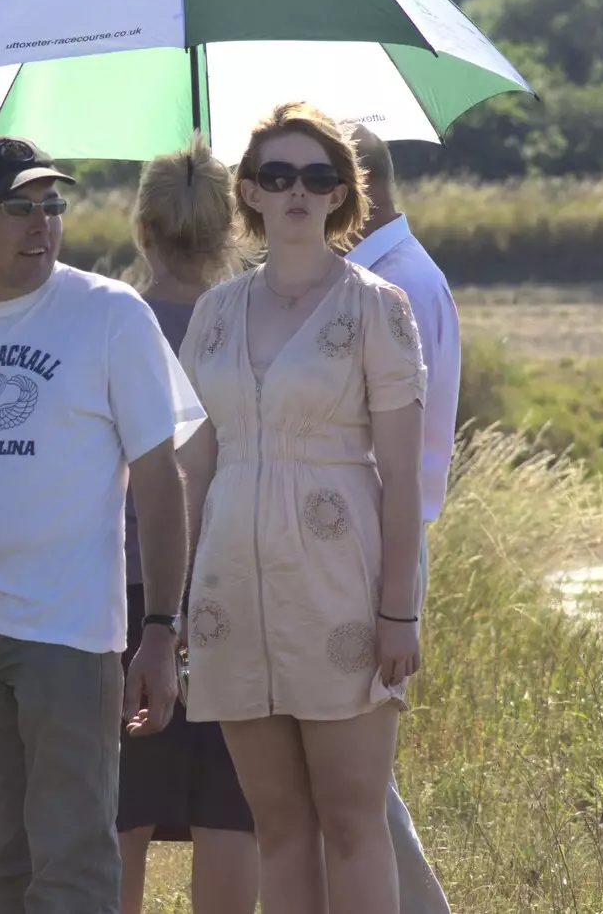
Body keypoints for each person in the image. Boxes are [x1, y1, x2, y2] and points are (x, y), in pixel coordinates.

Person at [0, 135, 206, 914]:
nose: (41, 223)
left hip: (70, 632)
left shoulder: (109, 314)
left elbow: (161, 484)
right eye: (18, 207)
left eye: (52, 205)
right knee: (7, 866)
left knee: (74, 865)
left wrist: (160, 628)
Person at [176, 101, 428, 914]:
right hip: (230, 592)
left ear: (339, 195)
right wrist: (168, 611)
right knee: (275, 824)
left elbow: (401, 478)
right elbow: (193, 469)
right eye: (276, 175)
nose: (296, 191)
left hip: (338, 587)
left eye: (316, 178)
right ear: (247, 191)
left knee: (352, 823)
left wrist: (400, 613)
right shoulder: (214, 313)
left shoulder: (378, 308)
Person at [117, 133, 258, 914]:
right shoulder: (255, 324)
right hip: (236, 582)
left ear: (143, 228)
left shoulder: (110, 324)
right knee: (231, 810)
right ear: (232, 227)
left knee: (123, 809)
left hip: (130, 588)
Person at [343, 123, 462, 914]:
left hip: (372, 540)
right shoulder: (384, 274)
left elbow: (388, 446)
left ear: (356, 186)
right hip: (365, 534)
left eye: (314, 180)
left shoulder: (398, 287)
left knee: (353, 771)